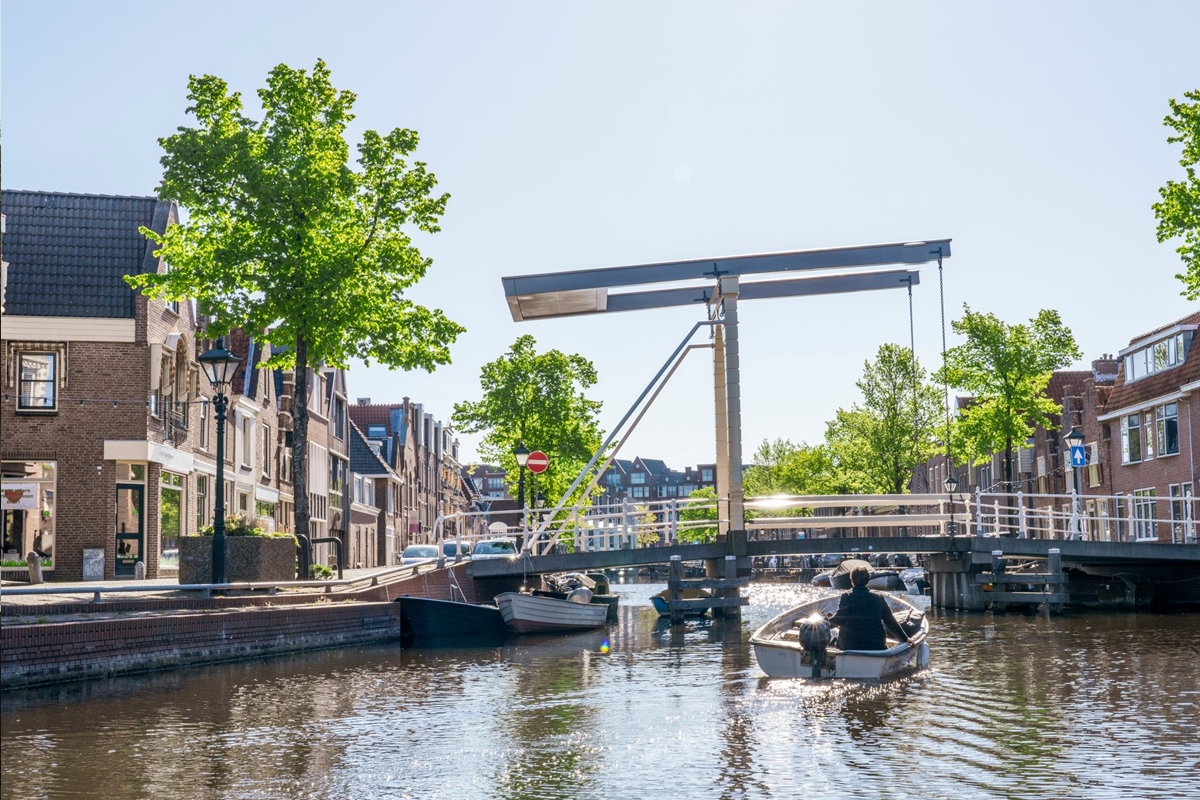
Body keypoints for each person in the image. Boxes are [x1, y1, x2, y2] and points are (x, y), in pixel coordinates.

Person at [828, 566, 910, 651]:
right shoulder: (879, 598)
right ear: (868, 580)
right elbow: (891, 622)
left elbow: (839, 619)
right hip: (876, 646)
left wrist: (824, 624)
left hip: (850, 646)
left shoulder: (847, 596)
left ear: (852, 580)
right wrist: (905, 639)